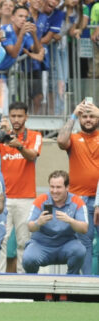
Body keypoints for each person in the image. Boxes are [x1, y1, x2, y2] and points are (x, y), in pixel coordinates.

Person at [0, 102, 43, 273]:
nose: (16, 119)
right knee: (1, 240)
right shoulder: (3, 136)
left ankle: (25, 280)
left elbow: (32, 156)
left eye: (20, 116)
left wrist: (19, 145)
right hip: (4, 198)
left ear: (26, 117)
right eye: (13, 116)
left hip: (26, 198)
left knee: (24, 241)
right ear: (9, 116)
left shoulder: (35, 136)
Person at [57, 100, 99, 275]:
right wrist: (74, 114)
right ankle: (89, 284)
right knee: (85, 242)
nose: (88, 119)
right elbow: (60, 141)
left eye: (92, 116)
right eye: (84, 116)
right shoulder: (74, 138)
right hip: (79, 200)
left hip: (98, 199)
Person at [23, 170, 88, 275]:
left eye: (58, 187)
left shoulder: (77, 201)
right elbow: (30, 227)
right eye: (52, 187)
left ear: (67, 187)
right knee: (28, 258)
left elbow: (84, 228)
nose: (54, 191)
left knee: (80, 251)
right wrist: (38, 222)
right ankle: (34, 285)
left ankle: (70, 281)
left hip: (66, 245)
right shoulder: (41, 200)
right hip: (41, 245)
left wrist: (70, 220)